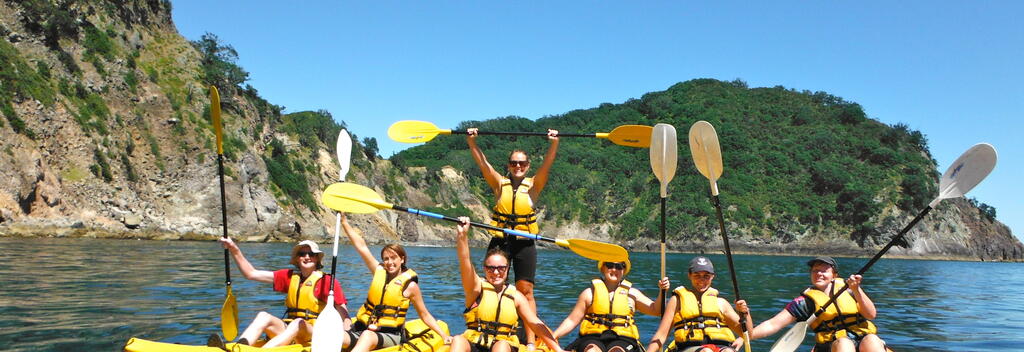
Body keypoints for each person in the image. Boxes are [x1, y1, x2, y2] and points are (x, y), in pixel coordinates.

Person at [467, 127, 559, 349]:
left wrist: (554, 143)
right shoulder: (499, 184)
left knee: (525, 290)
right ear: (508, 166)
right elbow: (483, 164)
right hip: (501, 241)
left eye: (522, 164)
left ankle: (529, 341)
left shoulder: (534, 186)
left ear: (528, 167)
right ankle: (484, 330)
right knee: (490, 285)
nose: (518, 167)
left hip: (524, 242)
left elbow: (547, 164)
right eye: (514, 163)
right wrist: (472, 142)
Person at [340, 214, 452, 352]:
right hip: (363, 328)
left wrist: (443, 335)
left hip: (391, 334)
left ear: (402, 259)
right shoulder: (379, 271)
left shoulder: (410, 286)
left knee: (368, 336)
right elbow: (361, 247)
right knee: (339, 337)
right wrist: (344, 222)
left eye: (393, 258)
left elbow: (424, 314)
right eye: (386, 259)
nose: (389, 262)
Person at [451, 217, 564, 352]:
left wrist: (558, 349)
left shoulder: (516, 296)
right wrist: (462, 235)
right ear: (484, 269)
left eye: (501, 268)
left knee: (501, 345)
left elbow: (536, 324)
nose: (496, 272)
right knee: (458, 340)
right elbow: (465, 261)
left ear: (507, 268)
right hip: (476, 342)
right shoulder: (475, 288)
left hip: (503, 345)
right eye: (491, 268)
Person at [212, 238, 349, 349]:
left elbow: (344, 315)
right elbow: (251, 274)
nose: (307, 257)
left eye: (311, 254)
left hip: (314, 333)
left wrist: (348, 339)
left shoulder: (327, 282)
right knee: (263, 316)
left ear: (317, 259)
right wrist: (234, 249)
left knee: (298, 322)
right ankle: (240, 347)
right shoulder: (289, 277)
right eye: (302, 254)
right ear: (297, 259)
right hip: (289, 328)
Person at [744, 256, 885, 352]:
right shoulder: (804, 302)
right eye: (815, 271)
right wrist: (746, 336)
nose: (819, 274)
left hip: (863, 337)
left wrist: (857, 289)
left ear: (834, 275)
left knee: (872, 339)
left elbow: (871, 315)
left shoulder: (850, 289)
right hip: (832, 345)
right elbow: (773, 324)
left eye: (824, 270)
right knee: (844, 344)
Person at [552, 258, 671, 352]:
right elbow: (572, 320)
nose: (614, 269)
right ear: (603, 268)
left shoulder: (632, 294)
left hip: (623, 339)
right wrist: (553, 336)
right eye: (610, 265)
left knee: (617, 351)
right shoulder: (589, 293)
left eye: (619, 266)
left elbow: (656, 309)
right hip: (593, 337)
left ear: (623, 270)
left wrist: (662, 291)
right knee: (592, 350)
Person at [646, 257, 752, 352]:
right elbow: (661, 335)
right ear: (689, 275)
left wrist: (745, 313)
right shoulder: (676, 301)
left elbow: (747, 334)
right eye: (697, 275)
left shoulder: (721, 303)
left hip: (721, 347)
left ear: (712, 277)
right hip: (689, 347)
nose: (701, 280)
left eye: (706, 276)